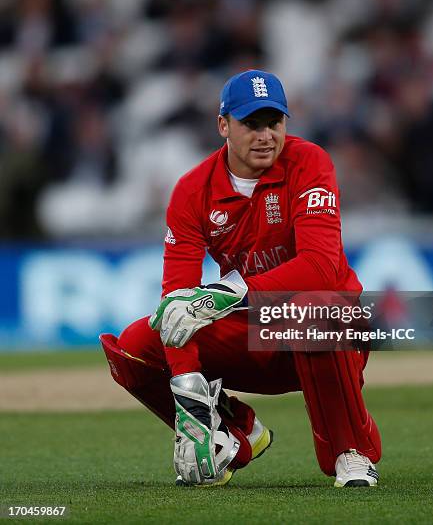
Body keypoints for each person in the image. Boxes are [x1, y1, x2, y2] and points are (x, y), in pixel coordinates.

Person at [100, 69, 382, 488]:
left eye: (275, 123)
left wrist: (230, 292)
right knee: (137, 345)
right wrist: (188, 398)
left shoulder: (310, 162)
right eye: (251, 124)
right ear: (223, 126)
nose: (266, 135)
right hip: (255, 335)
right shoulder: (192, 190)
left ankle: (351, 452)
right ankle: (229, 435)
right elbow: (176, 300)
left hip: (331, 334)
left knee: (313, 308)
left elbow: (320, 266)